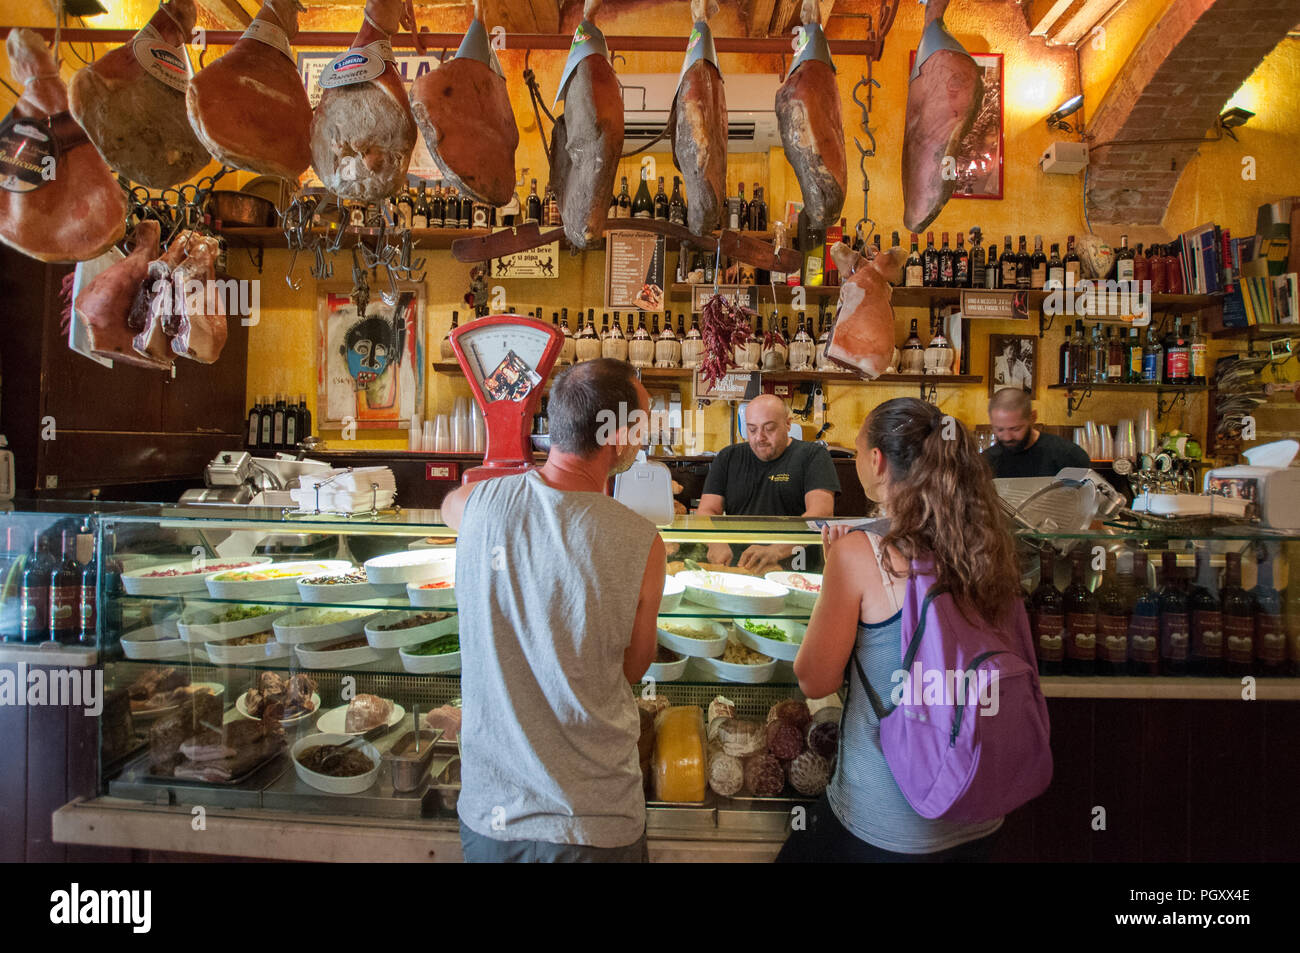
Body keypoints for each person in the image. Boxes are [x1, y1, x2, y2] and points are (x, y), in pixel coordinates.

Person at [777, 398, 1022, 862]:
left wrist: (835, 582)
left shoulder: (859, 553)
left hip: (889, 820)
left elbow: (815, 679)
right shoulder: (989, 542)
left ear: (876, 461)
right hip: (981, 805)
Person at [440, 359, 665, 863]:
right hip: (597, 822)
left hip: (494, 819)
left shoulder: (479, 505)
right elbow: (632, 667)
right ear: (615, 436)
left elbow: (450, 505)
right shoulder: (642, 542)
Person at [695, 394, 839, 572]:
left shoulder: (813, 456)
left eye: (769, 428)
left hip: (795, 567)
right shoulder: (728, 457)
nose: (759, 437)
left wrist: (775, 551)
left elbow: (821, 514)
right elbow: (707, 510)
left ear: (787, 424)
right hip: (738, 567)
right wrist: (715, 542)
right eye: (752, 429)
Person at [983, 387, 1090, 479]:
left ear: (1033, 417)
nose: (1007, 437)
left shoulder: (1068, 456)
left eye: (1015, 429)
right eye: (999, 429)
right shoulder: (986, 462)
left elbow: (1085, 499)